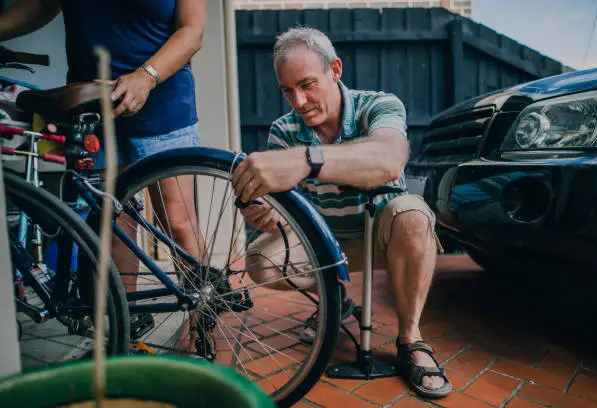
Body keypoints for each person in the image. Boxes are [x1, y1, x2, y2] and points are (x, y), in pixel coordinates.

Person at [231, 27, 452, 398]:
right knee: (260, 261)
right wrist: (263, 212)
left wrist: (307, 160)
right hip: (326, 249)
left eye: (307, 84)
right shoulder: (283, 130)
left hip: (382, 238)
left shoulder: (379, 105)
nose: (299, 101)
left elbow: (389, 161)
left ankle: (411, 340)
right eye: (288, 90)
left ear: (335, 69)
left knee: (414, 215)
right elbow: (284, 206)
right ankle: (335, 300)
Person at [0, 0, 208, 343]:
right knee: (114, 223)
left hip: (162, 102)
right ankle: (122, 332)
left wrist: (145, 77)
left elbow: (192, 30)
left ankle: (203, 327)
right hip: (93, 105)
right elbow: (40, 5)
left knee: (177, 222)